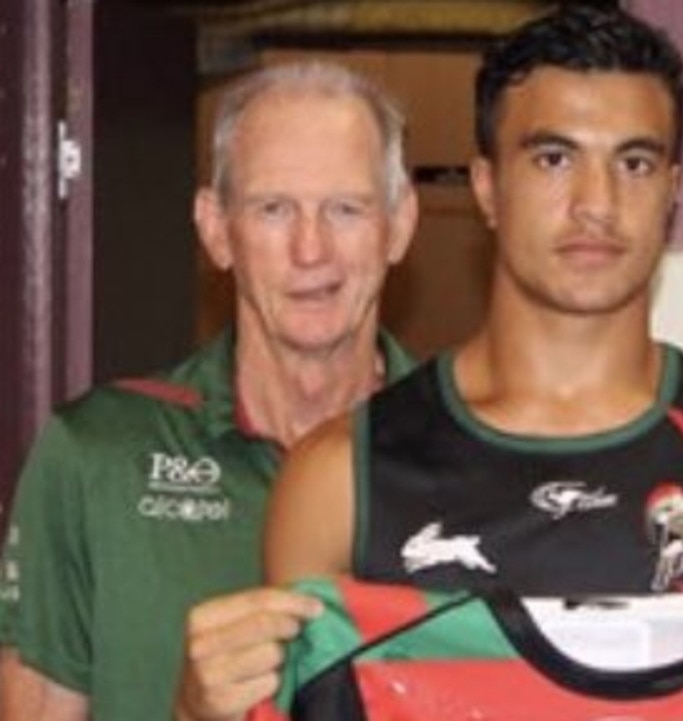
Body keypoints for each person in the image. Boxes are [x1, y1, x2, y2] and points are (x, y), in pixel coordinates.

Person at [176, 6, 683, 721]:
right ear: (487, 186)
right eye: (554, 159)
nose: (596, 202)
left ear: (673, 191)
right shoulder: (338, 479)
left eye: (634, 163)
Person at [0, 61, 421, 721]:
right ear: (216, 228)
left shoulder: (479, 457)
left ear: (398, 225)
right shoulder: (94, 457)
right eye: (273, 208)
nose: (311, 249)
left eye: (346, 208)